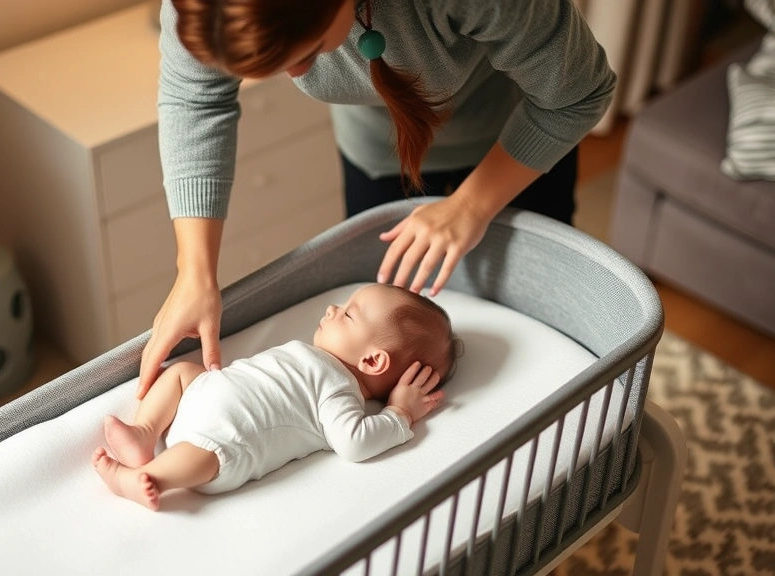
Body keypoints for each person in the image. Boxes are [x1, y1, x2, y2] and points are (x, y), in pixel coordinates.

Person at [138, 0, 616, 399]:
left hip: (519, 138)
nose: (298, 76)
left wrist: (472, 204)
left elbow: (576, 93)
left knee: (544, 319)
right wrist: (194, 271)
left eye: (304, 53)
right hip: (380, 150)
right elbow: (196, 100)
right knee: (387, 306)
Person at [94, 283, 463, 510]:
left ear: (371, 360)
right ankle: (143, 432)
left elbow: (353, 443)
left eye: (348, 315)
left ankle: (149, 478)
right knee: (180, 373)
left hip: (230, 437)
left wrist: (400, 412)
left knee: (204, 453)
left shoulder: (341, 392)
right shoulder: (321, 359)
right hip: (212, 391)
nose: (333, 309)